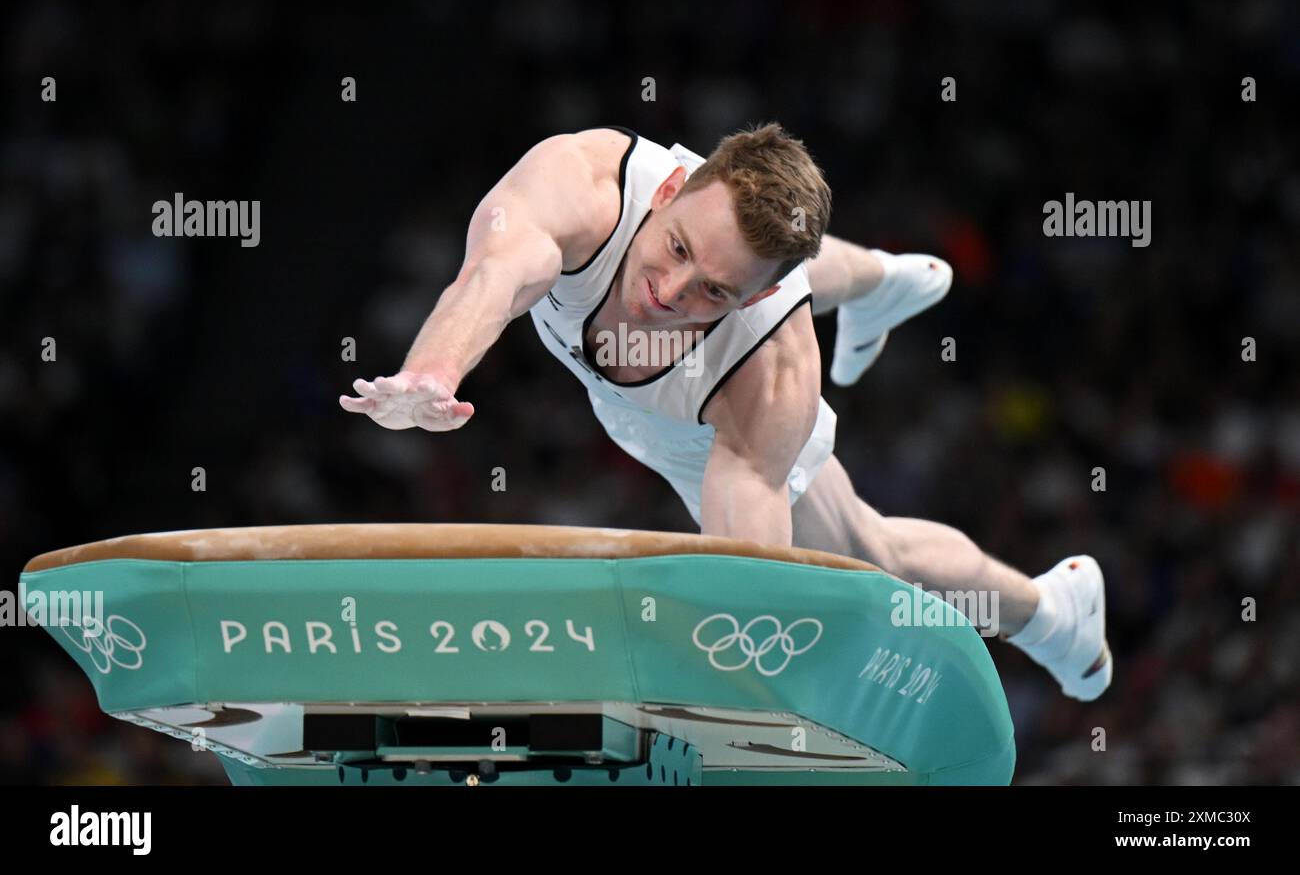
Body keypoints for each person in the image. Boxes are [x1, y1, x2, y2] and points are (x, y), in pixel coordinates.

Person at [340, 124, 1111, 701]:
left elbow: (757, 579)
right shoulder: (579, 188)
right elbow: (493, 276)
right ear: (670, 190)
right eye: (675, 249)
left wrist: (760, 697)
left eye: (713, 289)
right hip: (644, 387)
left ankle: (1048, 611)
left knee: (871, 554)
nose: (669, 293)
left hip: (694, 425)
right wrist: (430, 373)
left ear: (760, 297)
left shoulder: (770, 365)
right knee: (768, 257)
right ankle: (881, 278)